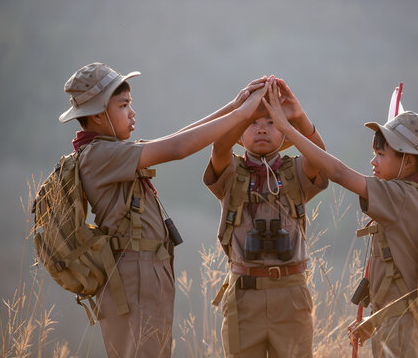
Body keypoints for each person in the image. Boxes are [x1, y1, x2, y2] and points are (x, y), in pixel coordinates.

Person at [58, 62, 271, 357]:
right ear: (97, 115)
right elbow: (177, 148)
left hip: (145, 271)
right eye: (123, 105)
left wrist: (234, 105)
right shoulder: (100, 155)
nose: (132, 113)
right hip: (133, 275)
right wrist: (244, 113)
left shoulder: (110, 150)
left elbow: (176, 139)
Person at [262, 81, 418, 357]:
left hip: (404, 336)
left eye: (381, 154)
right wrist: (375, 322)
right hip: (411, 327)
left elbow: (336, 172)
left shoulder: (399, 196)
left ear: (408, 161)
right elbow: (407, 281)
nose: (373, 162)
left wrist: (288, 127)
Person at [203, 77, 328, 357]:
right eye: (253, 124)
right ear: (238, 133)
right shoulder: (231, 173)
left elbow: (320, 158)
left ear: (285, 133)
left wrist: (298, 117)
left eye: (271, 123)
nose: (262, 129)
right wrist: (241, 110)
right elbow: (219, 149)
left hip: (291, 292)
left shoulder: (294, 171)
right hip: (244, 295)